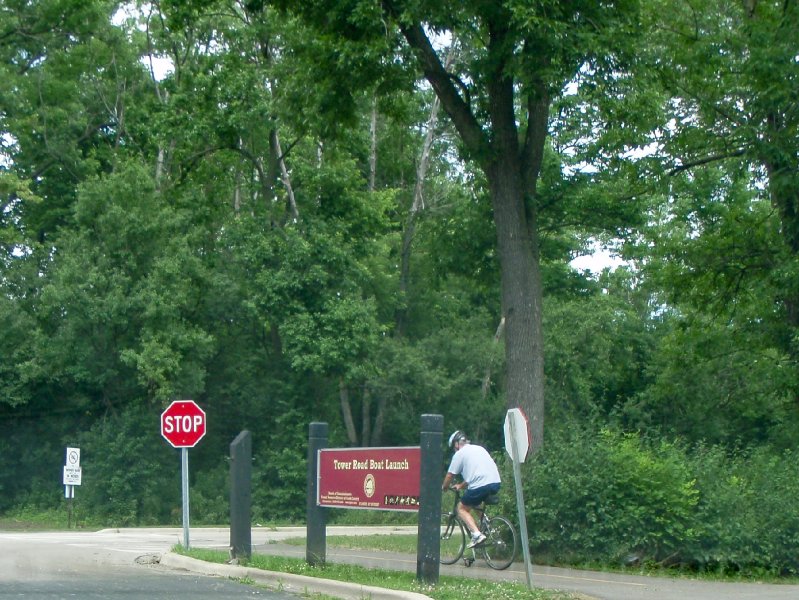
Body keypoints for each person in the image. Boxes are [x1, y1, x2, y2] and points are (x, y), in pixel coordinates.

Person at [441, 430, 501, 548]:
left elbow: (449, 475)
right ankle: (488, 526)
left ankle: (477, 534)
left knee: (461, 508)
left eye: (454, 446)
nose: (454, 449)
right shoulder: (478, 448)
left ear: (457, 444)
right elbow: (474, 475)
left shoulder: (459, 454)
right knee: (474, 502)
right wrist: (461, 485)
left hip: (480, 485)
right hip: (495, 482)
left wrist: (445, 487)